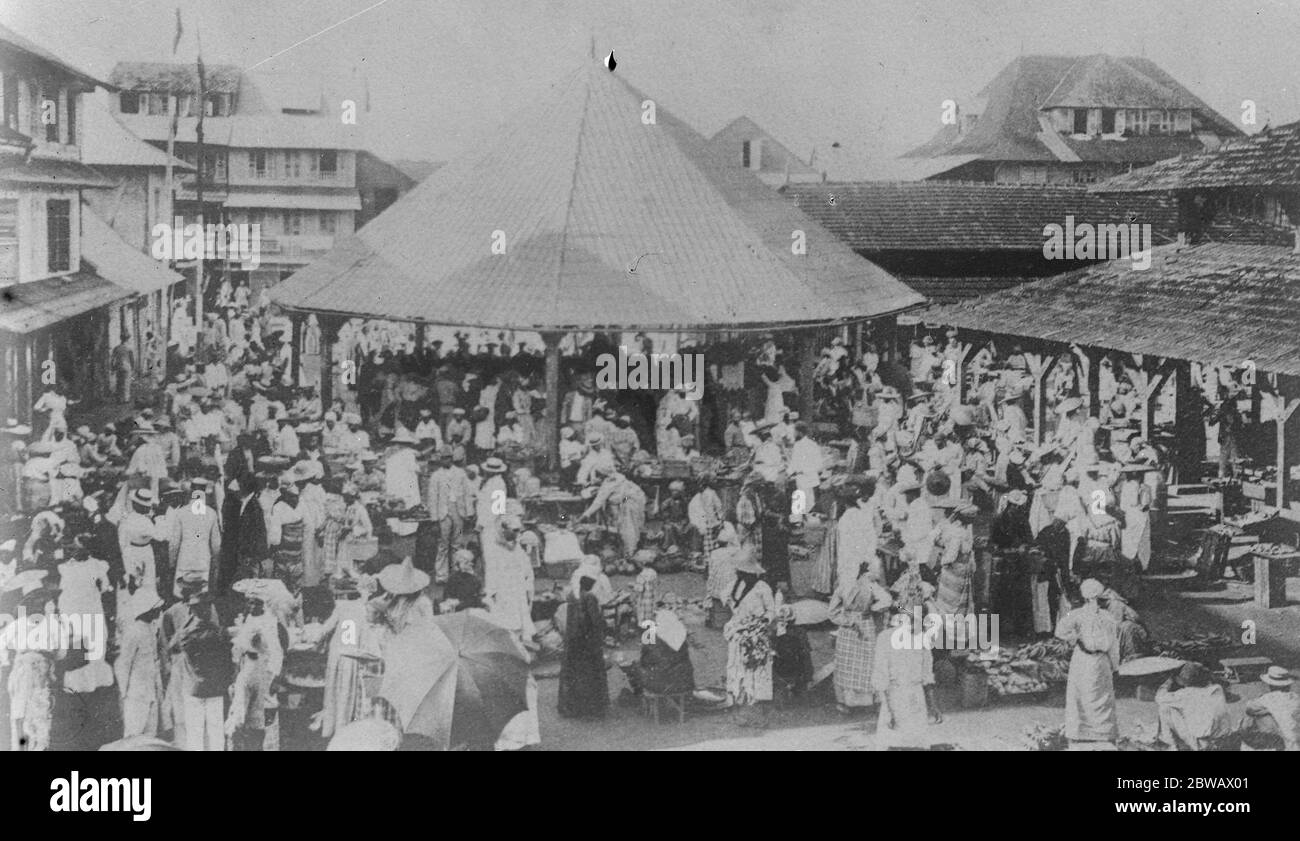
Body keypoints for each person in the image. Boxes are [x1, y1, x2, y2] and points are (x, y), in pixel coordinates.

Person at [162, 575, 230, 751]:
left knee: (204, 724)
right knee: (182, 716)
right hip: (183, 665)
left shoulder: (209, 611)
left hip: (200, 667)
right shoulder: (172, 612)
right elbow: (168, 645)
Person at [1055, 578, 1121, 748]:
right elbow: (1060, 631)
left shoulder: (1107, 617)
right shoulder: (1077, 615)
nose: (1095, 602)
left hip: (1100, 661)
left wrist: (1114, 665)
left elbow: (1113, 643)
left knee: (1101, 696)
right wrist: (1075, 638)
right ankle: (1080, 732)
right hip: (1083, 658)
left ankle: (1103, 733)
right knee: (1081, 696)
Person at [829, 564, 893, 713]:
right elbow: (887, 601)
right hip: (862, 625)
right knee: (862, 663)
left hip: (851, 627)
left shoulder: (845, 586)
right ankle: (860, 702)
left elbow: (832, 612)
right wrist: (873, 609)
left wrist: (848, 620)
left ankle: (846, 702)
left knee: (853, 664)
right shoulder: (870, 586)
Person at [722, 555, 776, 727]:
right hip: (738, 635)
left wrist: (761, 623)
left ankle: (756, 708)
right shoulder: (734, 586)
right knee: (738, 669)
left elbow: (771, 611)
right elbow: (729, 604)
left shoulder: (762, 588)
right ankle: (740, 703)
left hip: (757, 635)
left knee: (756, 671)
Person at [873, 609, 935, 749]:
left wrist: (933, 706)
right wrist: (888, 711)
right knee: (895, 742)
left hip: (917, 699)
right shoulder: (885, 638)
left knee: (918, 743)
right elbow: (880, 677)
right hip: (894, 697)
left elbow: (927, 675)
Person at [115, 587, 167, 738]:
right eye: (156, 608)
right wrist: (124, 694)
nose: (159, 611)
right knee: (134, 736)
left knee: (150, 737)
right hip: (136, 695)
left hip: (151, 692)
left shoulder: (151, 629)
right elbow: (124, 664)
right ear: (147, 609)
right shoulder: (133, 631)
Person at [557, 576, 609, 719]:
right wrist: (604, 627)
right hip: (588, 643)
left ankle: (573, 708)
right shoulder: (590, 597)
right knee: (590, 675)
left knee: (574, 675)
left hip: (573, 642)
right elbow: (595, 620)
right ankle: (591, 709)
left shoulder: (572, 596)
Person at [1153, 662, 1235, 751]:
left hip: (1202, 745)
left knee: (1165, 708)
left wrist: (1169, 680)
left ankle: (1171, 746)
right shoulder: (1217, 689)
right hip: (1223, 740)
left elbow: (1159, 697)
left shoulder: (1184, 694)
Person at [577, 463, 647, 560]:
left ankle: (630, 553)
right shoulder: (616, 477)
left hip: (630, 501)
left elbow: (598, 502)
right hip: (633, 497)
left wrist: (584, 516)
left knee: (629, 527)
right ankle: (628, 550)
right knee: (628, 526)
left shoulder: (610, 484)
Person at [482, 515, 535, 639]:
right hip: (504, 591)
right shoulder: (494, 549)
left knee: (523, 618)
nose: (518, 533)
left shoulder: (518, 547)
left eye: (519, 530)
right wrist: (491, 593)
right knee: (507, 620)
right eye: (515, 530)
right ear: (504, 530)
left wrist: (528, 587)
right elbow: (491, 573)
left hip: (519, 589)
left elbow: (527, 569)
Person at [170, 479, 222, 597]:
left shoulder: (181, 512)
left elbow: (174, 543)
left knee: (182, 593)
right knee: (199, 596)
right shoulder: (211, 513)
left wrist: (172, 562)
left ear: (191, 491)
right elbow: (216, 544)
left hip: (185, 559)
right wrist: (215, 562)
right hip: (203, 560)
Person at [836, 478, 881, 590]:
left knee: (851, 592)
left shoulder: (845, 519)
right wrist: (867, 558)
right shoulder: (862, 515)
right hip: (865, 559)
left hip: (850, 562)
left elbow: (845, 546)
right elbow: (871, 538)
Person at [1241, 667, 1300, 751]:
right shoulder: (1296, 698)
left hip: (1285, 742)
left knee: (1251, 719)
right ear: (1288, 685)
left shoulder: (1269, 698)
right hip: (1296, 740)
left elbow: (1249, 708)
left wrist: (1267, 711)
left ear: (1270, 685)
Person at [788, 421, 823, 516]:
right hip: (812, 478)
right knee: (810, 504)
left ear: (799, 432)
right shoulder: (813, 444)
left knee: (802, 505)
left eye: (794, 432)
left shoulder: (798, 445)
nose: (794, 434)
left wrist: (788, 473)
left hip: (803, 478)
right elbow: (820, 465)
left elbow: (794, 464)